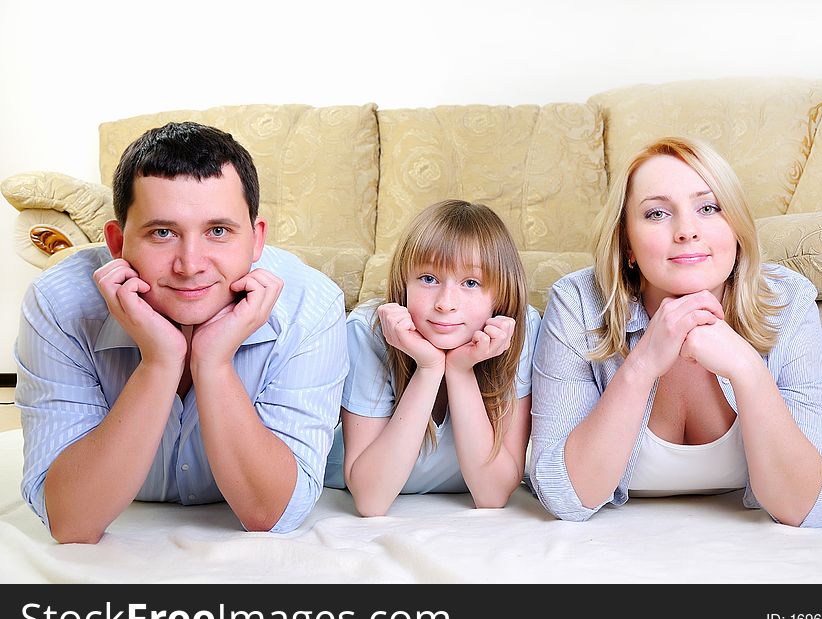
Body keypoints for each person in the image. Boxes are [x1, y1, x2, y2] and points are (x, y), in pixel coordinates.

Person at [15, 121, 348, 543]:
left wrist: (213, 364)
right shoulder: (59, 304)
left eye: (218, 231)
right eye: (163, 233)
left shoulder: (310, 306)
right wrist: (160, 363)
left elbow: (272, 514)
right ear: (117, 243)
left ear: (256, 239)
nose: (190, 265)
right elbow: (72, 522)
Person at [529, 135, 822, 528]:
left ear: (736, 229)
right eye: (656, 214)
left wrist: (746, 368)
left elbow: (808, 509)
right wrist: (641, 366)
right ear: (627, 245)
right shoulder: (578, 303)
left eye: (709, 208)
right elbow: (566, 497)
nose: (686, 230)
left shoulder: (788, 302)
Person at [323, 200, 540, 516]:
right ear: (404, 283)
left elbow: (492, 495)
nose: (445, 304)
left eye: (470, 283)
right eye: (428, 278)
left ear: (500, 294)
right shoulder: (370, 330)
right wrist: (428, 368)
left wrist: (461, 371)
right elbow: (371, 500)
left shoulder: (519, 330)